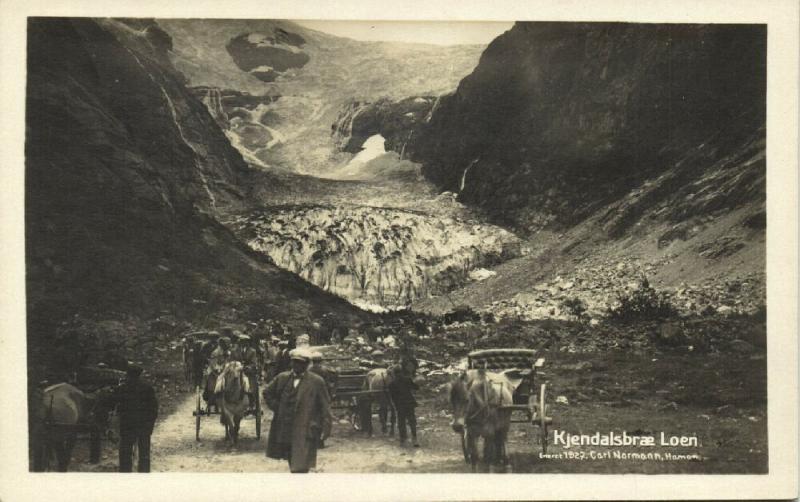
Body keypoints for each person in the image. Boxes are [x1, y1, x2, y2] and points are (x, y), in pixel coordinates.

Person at [263, 348, 332, 473]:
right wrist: (277, 407)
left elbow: (325, 406)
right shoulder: (282, 378)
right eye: (294, 362)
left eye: (300, 363)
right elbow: (267, 392)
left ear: (306, 364)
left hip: (305, 427)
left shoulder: (316, 381)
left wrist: (326, 428)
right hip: (285, 427)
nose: (296, 365)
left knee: (301, 464)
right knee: (291, 458)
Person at [110, 363, 158, 472]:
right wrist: (150, 425)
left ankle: (125, 475)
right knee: (144, 454)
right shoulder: (148, 388)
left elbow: (113, 403)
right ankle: (143, 475)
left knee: (125, 453)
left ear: (128, 375)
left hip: (127, 425)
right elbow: (154, 409)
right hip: (143, 426)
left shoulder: (122, 388)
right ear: (139, 375)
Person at [388, 357, 420, 447]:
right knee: (412, 421)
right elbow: (416, 387)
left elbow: (392, 397)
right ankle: (415, 439)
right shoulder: (407, 379)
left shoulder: (391, 384)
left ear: (393, 373)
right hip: (409, 403)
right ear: (401, 371)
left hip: (400, 405)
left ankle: (403, 440)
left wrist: (395, 405)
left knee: (401, 422)